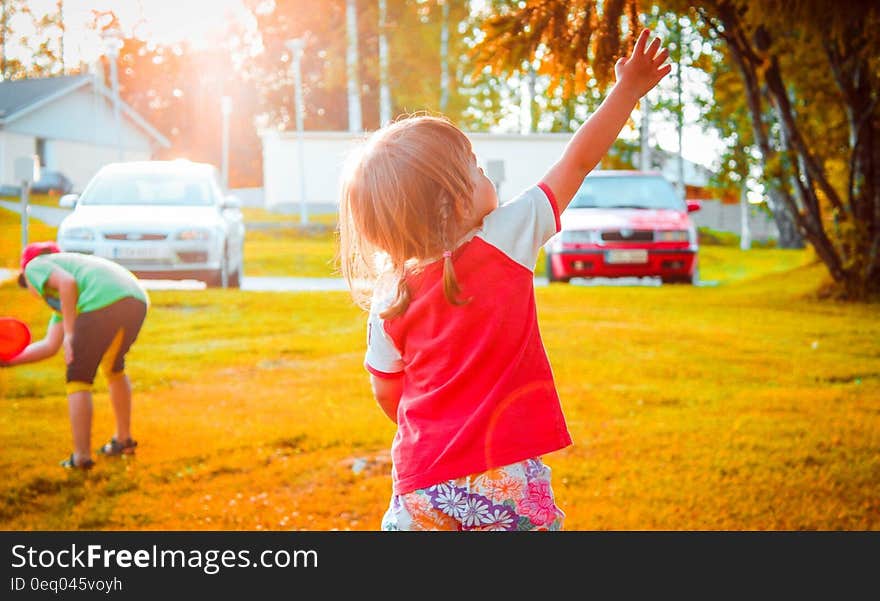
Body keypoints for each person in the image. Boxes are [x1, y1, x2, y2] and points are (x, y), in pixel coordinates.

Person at [338, 29, 671, 530]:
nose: (485, 174)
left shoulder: (390, 298)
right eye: (474, 167)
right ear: (452, 200)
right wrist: (625, 91)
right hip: (505, 476)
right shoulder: (505, 238)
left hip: (421, 484)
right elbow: (577, 161)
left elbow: (388, 394)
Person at [2, 242, 150, 470]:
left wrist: (71, 335)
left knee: (78, 377)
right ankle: (124, 440)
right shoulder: (70, 299)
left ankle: (81, 457)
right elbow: (50, 346)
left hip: (105, 299)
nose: (31, 290)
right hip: (135, 297)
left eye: (25, 284)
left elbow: (66, 283)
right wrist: (7, 361)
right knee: (114, 367)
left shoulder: (35, 266)